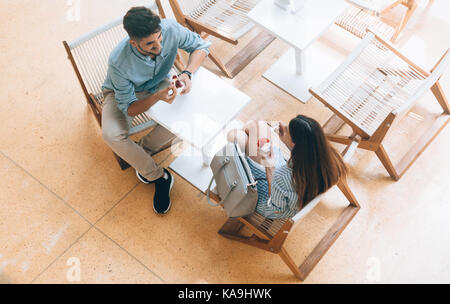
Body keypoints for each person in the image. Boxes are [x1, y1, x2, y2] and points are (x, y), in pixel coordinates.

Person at [101, 7, 211, 214]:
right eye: (150, 44)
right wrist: (156, 98)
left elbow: (202, 46)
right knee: (111, 135)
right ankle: (158, 176)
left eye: (159, 38)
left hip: (160, 83)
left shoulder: (169, 28)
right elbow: (131, 109)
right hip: (122, 94)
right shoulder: (118, 62)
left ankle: (143, 149)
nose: (159, 46)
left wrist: (187, 73)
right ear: (133, 43)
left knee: (188, 117)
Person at [227, 115, 347, 219]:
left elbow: (273, 208)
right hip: (291, 188)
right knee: (257, 126)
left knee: (237, 136)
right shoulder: (329, 155)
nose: (282, 125)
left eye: (287, 129)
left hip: (271, 202)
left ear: (296, 143)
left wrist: (269, 168)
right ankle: (244, 150)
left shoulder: (283, 176)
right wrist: (285, 139)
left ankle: (239, 158)